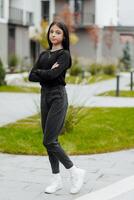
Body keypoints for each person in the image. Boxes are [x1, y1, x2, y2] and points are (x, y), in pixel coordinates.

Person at [28, 20, 86, 194]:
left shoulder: (64, 55)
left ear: (64, 36)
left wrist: (41, 73)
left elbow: (53, 75)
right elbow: (31, 76)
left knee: (49, 140)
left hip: (58, 97)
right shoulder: (44, 55)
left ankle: (75, 171)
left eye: (58, 32)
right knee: (50, 141)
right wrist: (44, 73)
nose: (54, 34)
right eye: (52, 32)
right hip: (44, 96)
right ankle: (56, 179)